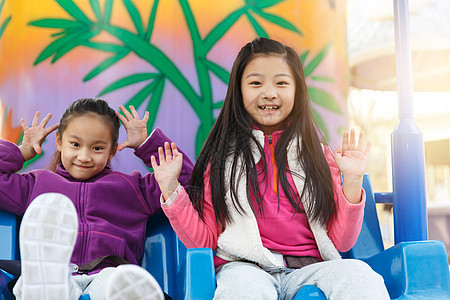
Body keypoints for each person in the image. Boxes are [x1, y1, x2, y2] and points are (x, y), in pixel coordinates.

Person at [151, 37, 390, 299]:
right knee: (243, 291)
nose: (269, 93)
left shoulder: (317, 155)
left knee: (361, 274)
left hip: (310, 269)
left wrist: (353, 179)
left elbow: (341, 241)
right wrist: (171, 189)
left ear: (297, 90)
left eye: (281, 83)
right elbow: (204, 241)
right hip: (244, 268)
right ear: (238, 91)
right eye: (255, 83)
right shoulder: (221, 160)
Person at [0, 98, 194, 300]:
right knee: (48, 275)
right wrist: (23, 151)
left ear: (111, 151)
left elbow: (186, 181)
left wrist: (146, 144)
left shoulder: (134, 188)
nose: (84, 156)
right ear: (59, 142)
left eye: (97, 148)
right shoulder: (35, 184)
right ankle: (49, 283)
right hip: (59, 269)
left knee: (116, 281)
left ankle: (130, 292)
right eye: (75, 144)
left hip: (107, 272)